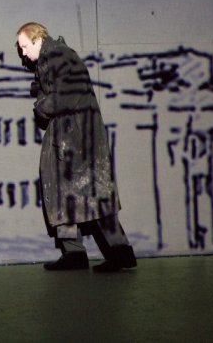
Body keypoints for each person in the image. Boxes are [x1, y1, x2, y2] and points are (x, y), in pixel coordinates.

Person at [16, 22, 137, 272]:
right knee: (62, 195)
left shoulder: (60, 55)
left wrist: (41, 106)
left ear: (37, 39)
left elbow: (68, 95)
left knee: (95, 195)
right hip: (67, 136)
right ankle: (74, 253)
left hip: (79, 138)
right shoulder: (50, 60)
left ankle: (119, 252)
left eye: (25, 46)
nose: (23, 53)